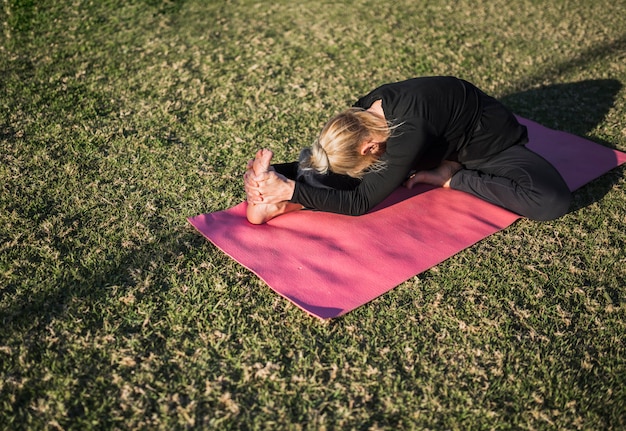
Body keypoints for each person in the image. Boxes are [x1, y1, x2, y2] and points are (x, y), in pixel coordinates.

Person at [244, 76, 571, 224]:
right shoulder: (361, 115)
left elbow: (359, 204)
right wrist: (277, 174)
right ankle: (277, 202)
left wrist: (289, 187)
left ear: (370, 145)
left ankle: (453, 175)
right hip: (426, 145)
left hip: (485, 145)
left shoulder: (407, 129)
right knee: (351, 172)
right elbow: (332, 159)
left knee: (550, 201)